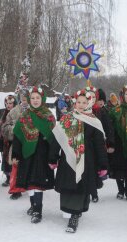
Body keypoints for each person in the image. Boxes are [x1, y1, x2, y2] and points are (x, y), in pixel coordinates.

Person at [49, 88, 108, 233]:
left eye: (84, 102)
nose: (81, 105)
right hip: (67, 159)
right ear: (74, 103)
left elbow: (99, 145)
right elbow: (57, 139)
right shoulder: (67, 118)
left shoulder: (94, 121)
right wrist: (52, 157)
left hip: (86, 161)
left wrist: (102, 164)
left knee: (81, 186)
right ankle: (69, 210)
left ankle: (74, 215)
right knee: (69, 185)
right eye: (78, 102)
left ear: (90, 103)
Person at [12, 86, 56, 223]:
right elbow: (17, 136)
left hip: (42, 155)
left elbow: (54, 139)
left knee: (37, 183)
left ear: (42, 99)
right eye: (33, 98)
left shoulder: (49, 116)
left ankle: (38, 210)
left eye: (38, 98)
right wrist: (16, 154)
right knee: (29, 182)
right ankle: (33, 205)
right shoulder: (24, 116)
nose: (35, 100)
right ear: (29, 100)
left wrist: (53, 156)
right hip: (27, 154)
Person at [1, 89, 29, 199]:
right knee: (16, 167)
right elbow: (4, 128)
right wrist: (15, 130)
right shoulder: (13, 112)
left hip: (32, 145)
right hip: (17, 145)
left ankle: (31, 186)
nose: (25, 102)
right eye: (23, 100)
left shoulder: (36, 111)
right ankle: (16, 189)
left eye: (27, 99)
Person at [88, 87, 115, 203]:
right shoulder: (80, 110)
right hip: (84, 144)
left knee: (95, 168)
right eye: (89, 97)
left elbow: (109, 128)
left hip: (97, 144)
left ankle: (94, 192)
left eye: (94, 97)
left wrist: (110, 143)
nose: (92, 99)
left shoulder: (101, 111)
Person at [0, 95, 17, 187]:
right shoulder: (4, 113)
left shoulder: (16, 113)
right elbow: (1, 126)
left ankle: (14, 177)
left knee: (12, 159)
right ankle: (8, 177)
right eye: (7, 103)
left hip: (13, 140)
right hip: (4, 140)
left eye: (10, 103)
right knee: (5, 159)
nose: (8, 105)